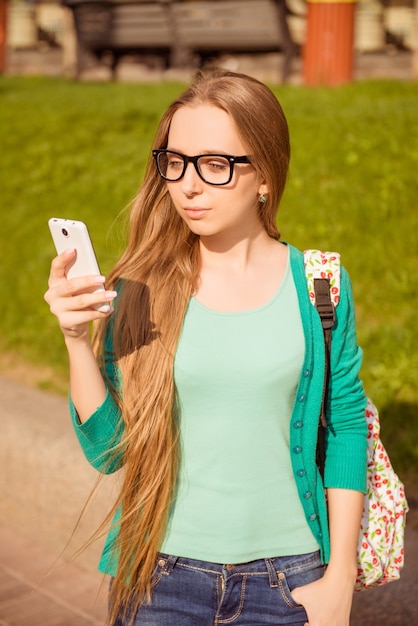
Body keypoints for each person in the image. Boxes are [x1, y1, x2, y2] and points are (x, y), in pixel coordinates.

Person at [45, 68, 368, 626]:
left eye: (215, 165)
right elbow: (109, 451)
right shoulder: (141, 288)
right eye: (175, 162)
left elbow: (345, 428)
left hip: (289, 582)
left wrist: (338, 579)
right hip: (159, 580)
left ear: (264, 174)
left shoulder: (322, 285)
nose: (188, 186)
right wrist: (76, 339)